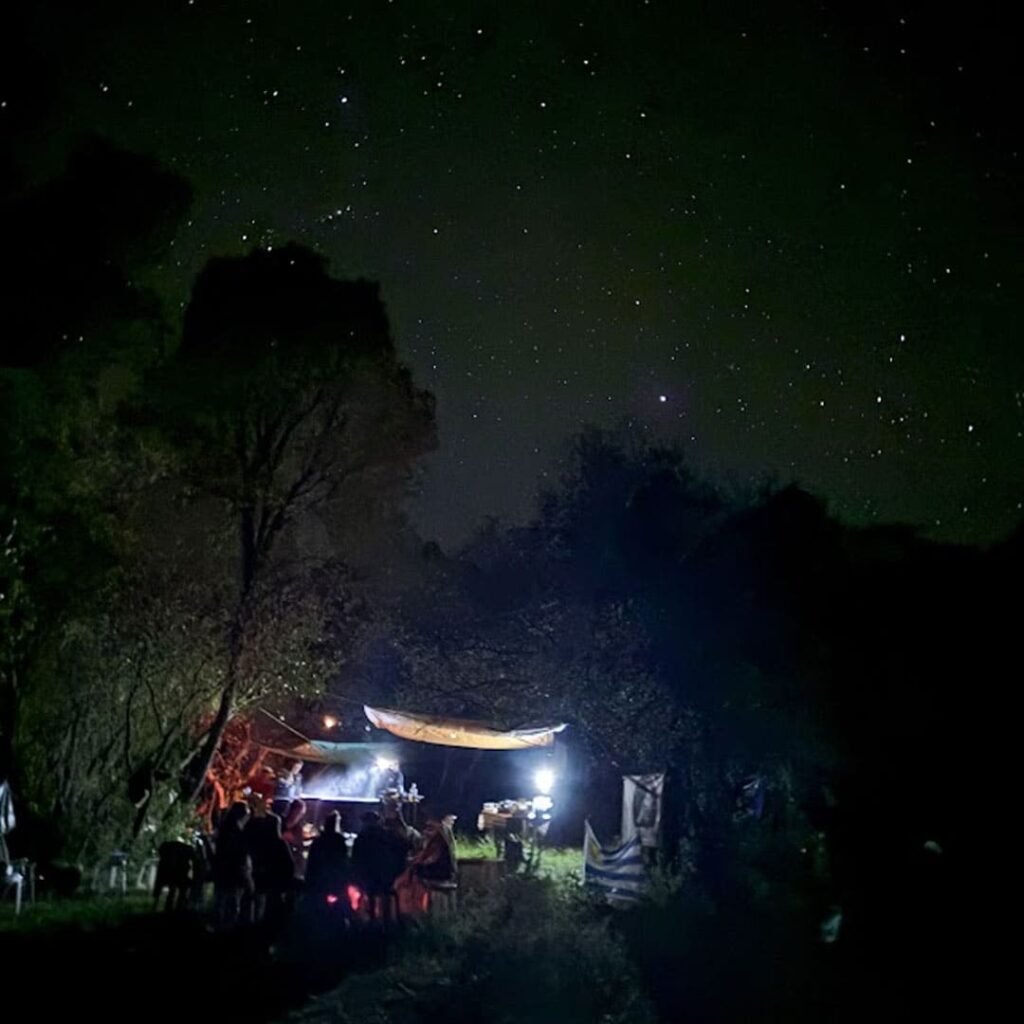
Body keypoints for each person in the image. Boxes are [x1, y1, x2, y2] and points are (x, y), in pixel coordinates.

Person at [212, 801, 252, 928]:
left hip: (222, 871)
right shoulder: (236, 831)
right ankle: (227, 928)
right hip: (233, 873)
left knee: (220, 902)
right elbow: (240, 855)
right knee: (232, 904)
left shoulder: (225, 828)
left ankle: (218, 925)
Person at [305, 811, 349, 897]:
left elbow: (311, 862)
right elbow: (343, 861)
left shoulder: (318, 840)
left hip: (318, 881)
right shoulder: (339, 841)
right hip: (334, 881)